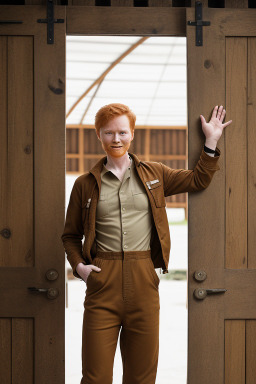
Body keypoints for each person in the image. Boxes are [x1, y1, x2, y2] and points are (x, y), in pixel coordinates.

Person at [61, 103, 232, 384]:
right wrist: (80, 267)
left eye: (122, 132)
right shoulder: (84, 184)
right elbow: (70, 235)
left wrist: (211, 141)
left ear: (132, 134)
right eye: (108, 133)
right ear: (98, 135)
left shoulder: (155, 174)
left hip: (143, 280)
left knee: (142, 378)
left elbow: (198, 180)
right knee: (95, 377)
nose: (116, 139)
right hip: (102, 282)